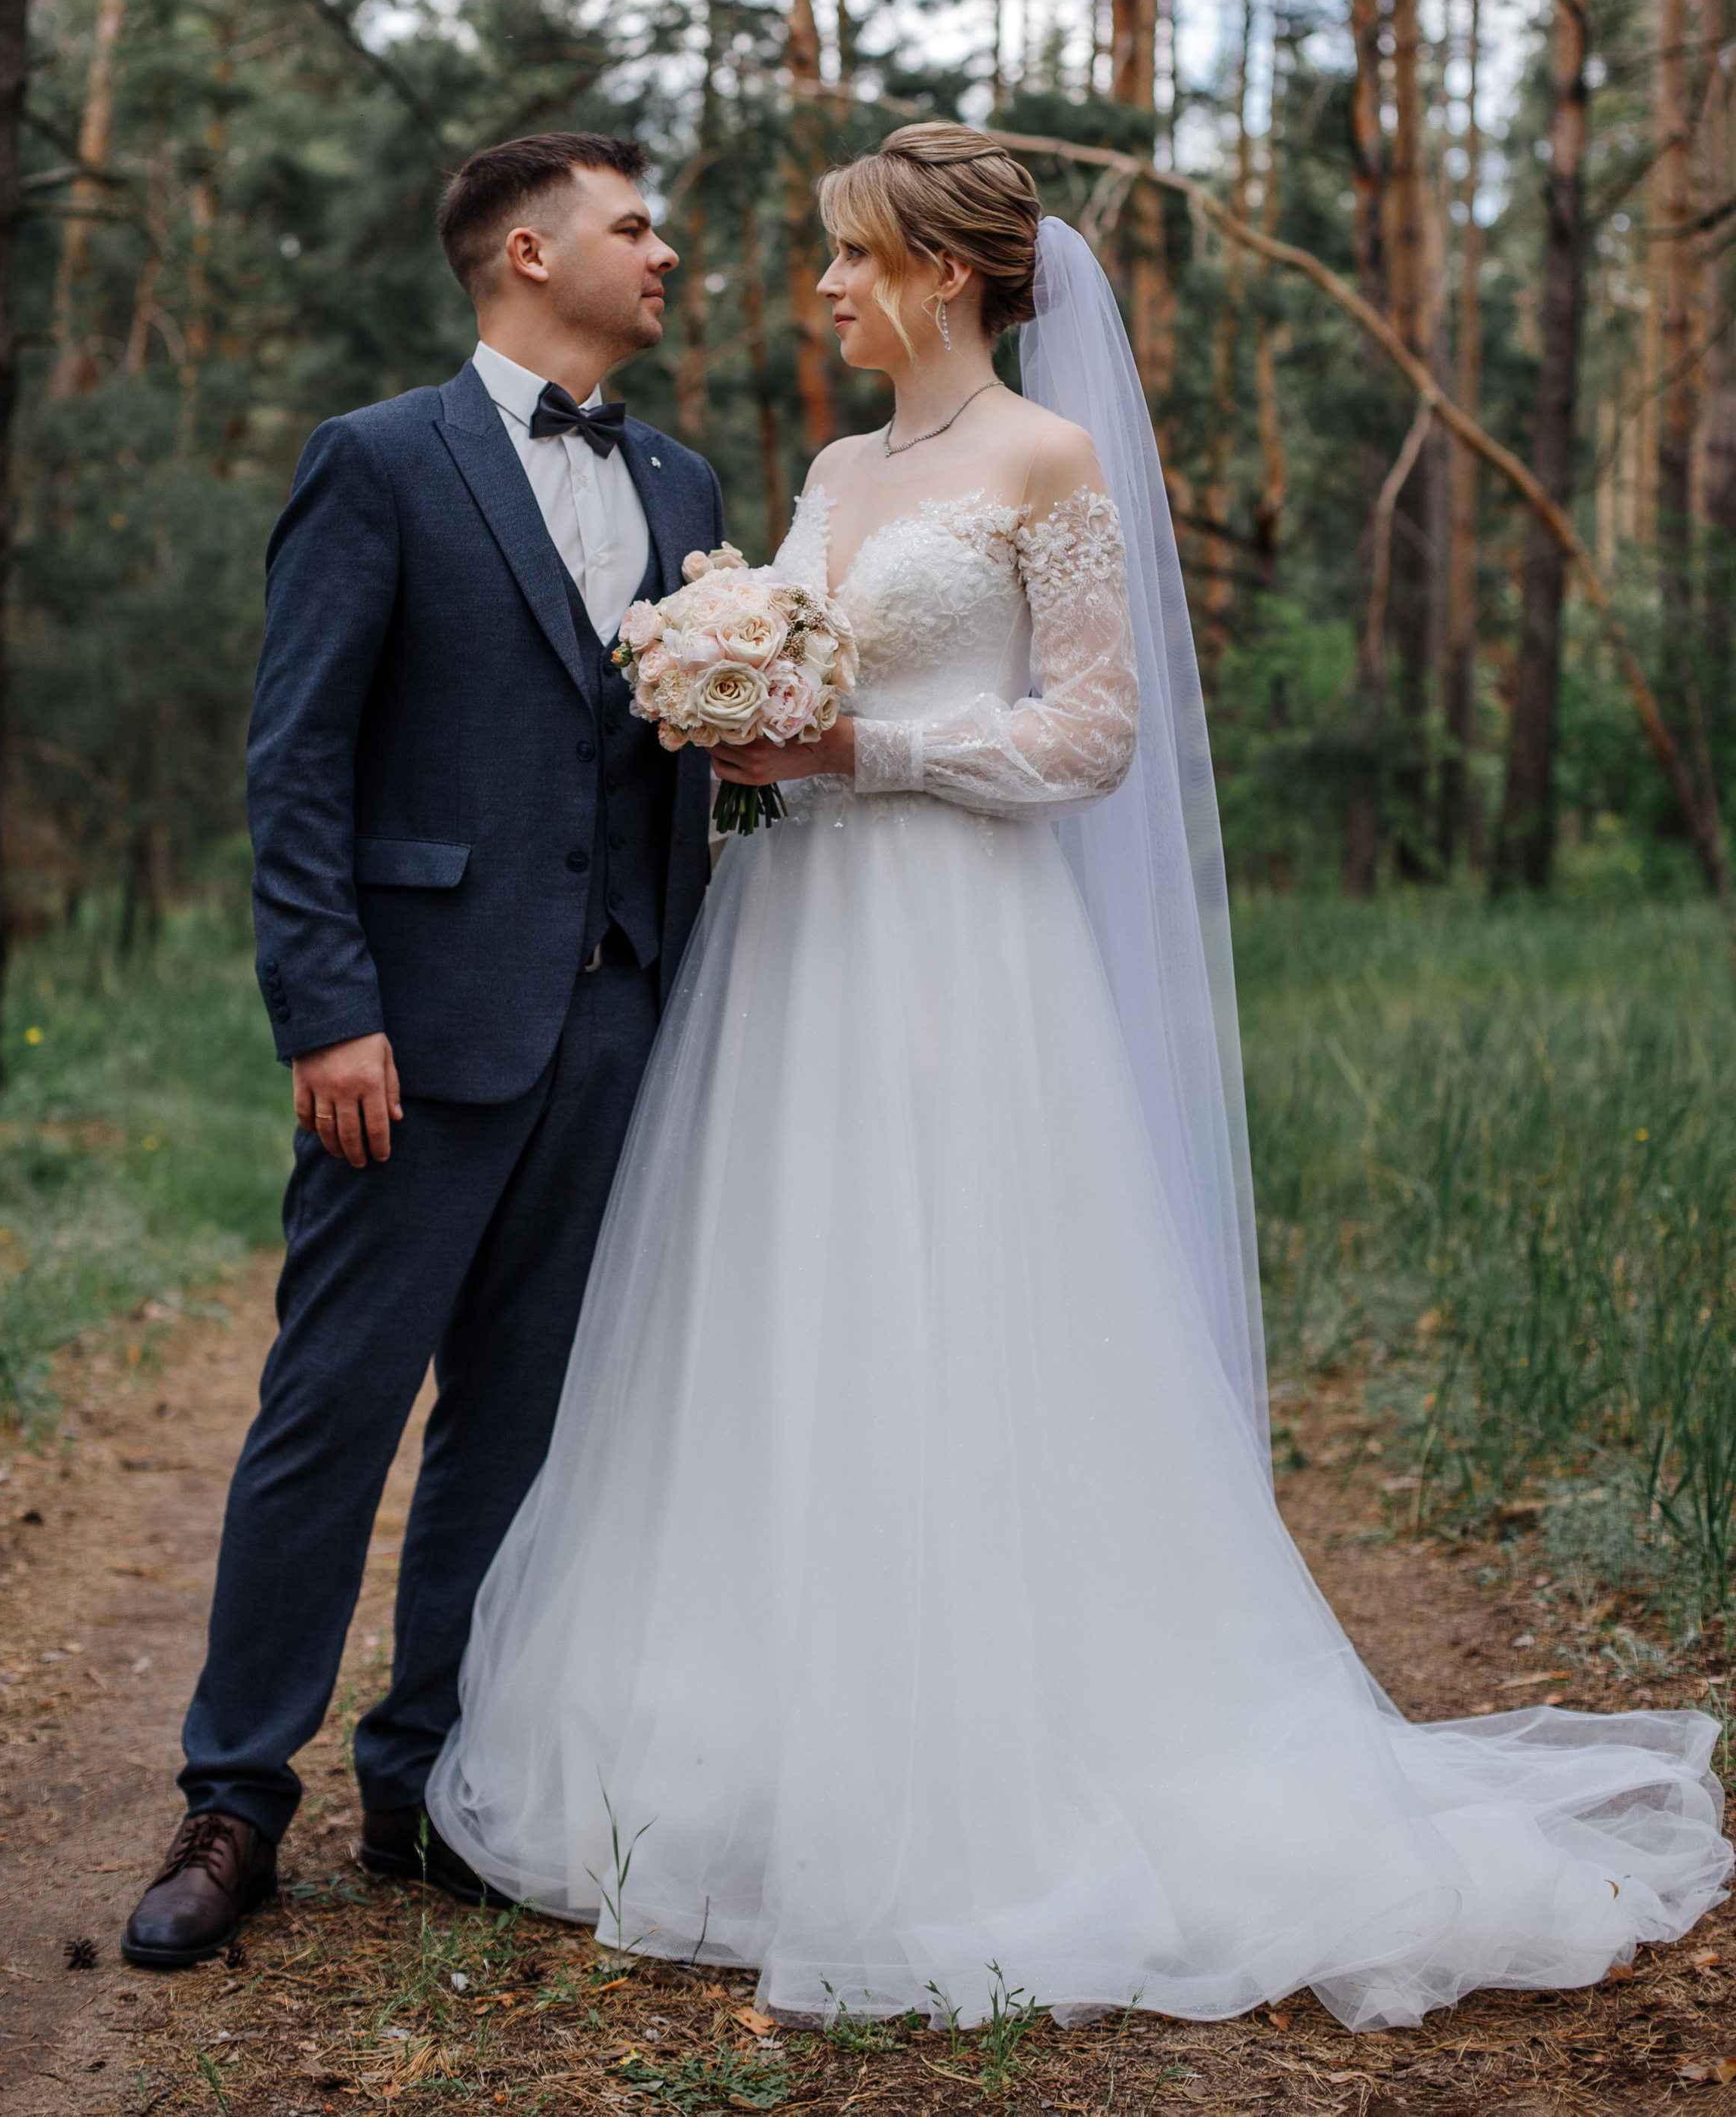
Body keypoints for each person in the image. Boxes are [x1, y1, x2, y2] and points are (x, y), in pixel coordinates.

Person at [427, 123, 1730, 2032]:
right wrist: (735, 695)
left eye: (849, 260)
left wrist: (861, 750)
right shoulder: (833, 466)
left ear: (941, 274)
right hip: (800, 949)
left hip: (962, 945)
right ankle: (769, 1750)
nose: (822, 290)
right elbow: (779, 677)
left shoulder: (1046, 462)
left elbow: (1095, 735)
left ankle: (992, 1761)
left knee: (967, 1314)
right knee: (797, 1312)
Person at [122, 134, 725, 1968]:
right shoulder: (378, 462)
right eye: (636, 227)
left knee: (520, 1427)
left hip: (617, 1015)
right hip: (410, 1029)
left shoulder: (687, 483)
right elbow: (294, 760)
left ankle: (432, 1783)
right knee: (331, 1412)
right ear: (529, 252)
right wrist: (328, 1007)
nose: (667, 253)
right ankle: (234, 1797)